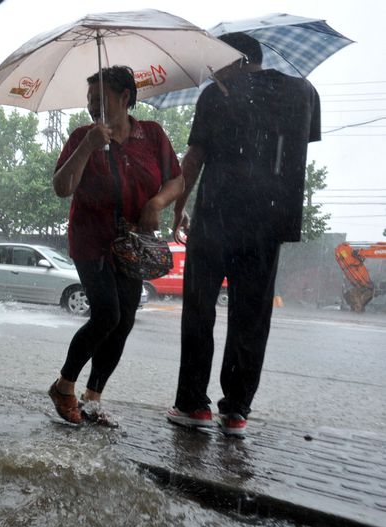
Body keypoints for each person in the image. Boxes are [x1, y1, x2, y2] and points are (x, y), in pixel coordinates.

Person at [166, 33, 321, 437]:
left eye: (216, 60)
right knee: (251, 319)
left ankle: (192, 405)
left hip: (216, 219)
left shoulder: (216, 95)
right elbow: (294, 146)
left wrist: (179, 208)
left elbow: (195, 157)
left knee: (200, 311)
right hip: (269, 222)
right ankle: (236, 412)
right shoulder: (305, 91)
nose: (212, 70)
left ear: (234, 59)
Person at [49, 66, 184, 427]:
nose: (93, 108)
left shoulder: (152, 135)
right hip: (91, 240)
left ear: (125, 98)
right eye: (90, 101)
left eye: (101, 101)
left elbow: (177, 180)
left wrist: (156, 205)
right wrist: (88, 146)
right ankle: (64, 385)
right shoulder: (82, 136)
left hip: (132, 244)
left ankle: (92, 400)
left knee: (124, 321)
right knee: (106, 313)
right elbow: (62, 187)